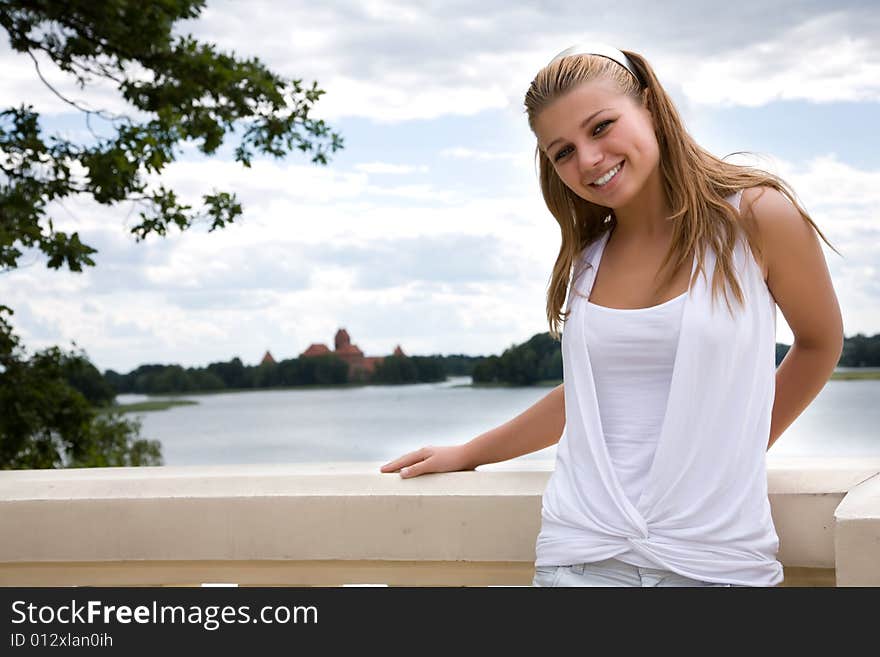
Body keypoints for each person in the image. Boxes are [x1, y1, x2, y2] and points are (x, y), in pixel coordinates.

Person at [380, 44, 843, 587]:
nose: (589, 159)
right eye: (563, 152)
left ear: (649, 106)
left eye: (601, 127)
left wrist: (733, 452)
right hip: (578, 557)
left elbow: (819, 343)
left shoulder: (756, 218)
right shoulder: (587, 261)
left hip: (717, 563)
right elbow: (585, 397)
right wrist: (470, 452)